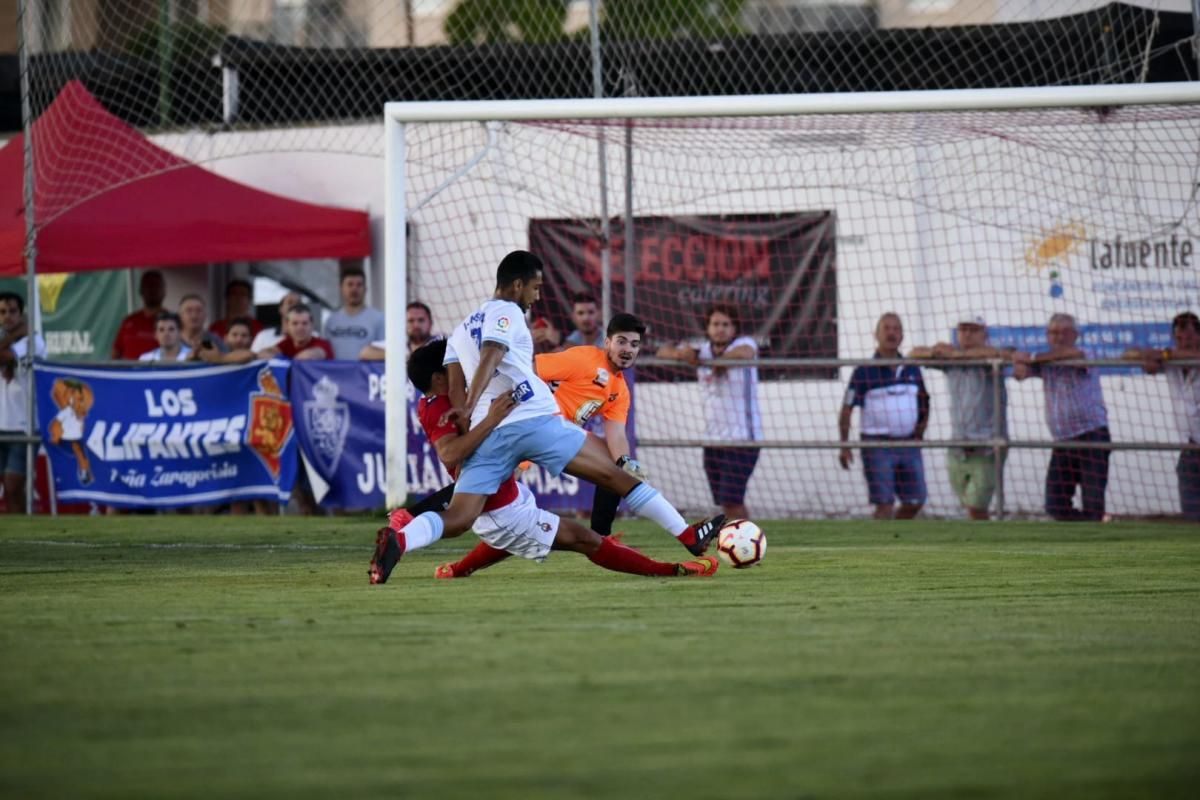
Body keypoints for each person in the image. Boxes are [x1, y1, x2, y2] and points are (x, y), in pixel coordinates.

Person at [369, 250, 724, 584]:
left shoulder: (461, 329)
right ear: (518, 284)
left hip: (492, 433)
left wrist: (468, 415)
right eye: (536, 287)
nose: (536, 297)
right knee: (616, 479)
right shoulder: (505, 312)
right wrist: (471, 405)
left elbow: (455, 379)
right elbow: (494, 350)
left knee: (460, 517)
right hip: (534, 419)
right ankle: (688, 536)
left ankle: (402, 540)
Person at [393, 339, 717, 581]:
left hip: (506, 493)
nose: (462, 370)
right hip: (496, 506)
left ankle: (451, 566)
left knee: (526, 526)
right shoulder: (442, 406)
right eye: (453, 367)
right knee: (583, 539)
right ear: (440, 378)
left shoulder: (455, 399)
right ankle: (672, 570)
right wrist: (494, 417)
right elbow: (451, 453)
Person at [437, 313, 649, 579]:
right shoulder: (583, 358)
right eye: (622, 341)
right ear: (607, 342)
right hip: (527, 426)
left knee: (612, 466)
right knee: (489, 498)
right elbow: (531, 369)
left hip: (551, 437)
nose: (628, 349)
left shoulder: (620, 388)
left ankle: (602, 537)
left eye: (634, 344)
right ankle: (414, 521)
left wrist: (627, 465)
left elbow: (617, 435)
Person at [657, 304, 762, 520]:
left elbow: (745, 353)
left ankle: (749, 543)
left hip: (742, 440)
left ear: (735, 328)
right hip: (713, 439)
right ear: (707, 327)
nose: (720, 329)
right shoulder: (702, 350)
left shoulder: (744, 344)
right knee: (725, 502)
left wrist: (718, 362)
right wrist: (681, 354)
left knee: (732, 501)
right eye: (715, 324)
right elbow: (661, 351)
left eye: (726, 324)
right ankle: (741, 541)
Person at [910, 313, 1013, 520]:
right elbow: (913, 354)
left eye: (972, 330)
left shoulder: (989, 358)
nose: (966, 334)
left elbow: (1004, 355)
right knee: (970, 506)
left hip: (987, 447)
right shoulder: (951, 360)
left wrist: (954, 355)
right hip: (958, 446)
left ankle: (982, 548)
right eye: (962, 329)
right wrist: (935, 351)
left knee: (976, 507)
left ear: (984, 334)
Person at [1013, 313, 1110, 522]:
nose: (1058, 338)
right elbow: (1021, 373)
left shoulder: (1086, 352)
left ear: (1075, 335)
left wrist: (1030, 358)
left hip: (1091, 435)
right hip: (1063, 440)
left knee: (1093, 502)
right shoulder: (1046, 360)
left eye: (1064, 332)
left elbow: (1072, 356)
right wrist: (1021, 365)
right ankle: (1084, 532)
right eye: (1053, 333)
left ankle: (1098, 540)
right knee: (1055, 505)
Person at [838, 312, 929, 520]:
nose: (891, 333)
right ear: (876, 334)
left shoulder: (912, 369)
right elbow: (846, 408)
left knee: (916, 501)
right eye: (886, 328)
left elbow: (925, 401)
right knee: (884, 504)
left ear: (903, 335)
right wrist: (844, 445)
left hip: (909, 444)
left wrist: (919, 432)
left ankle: (896, 538)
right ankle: (880, 548)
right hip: (877, 446)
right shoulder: (863, 371)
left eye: (896, 329)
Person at [1123, 311, 1200, 521]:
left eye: (1190, 336)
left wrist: (1163, 355)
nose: (1184, 341)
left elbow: (1192, 356)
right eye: (1179, 337)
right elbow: (1127, 354)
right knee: (1193, 517)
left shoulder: (1172, 357)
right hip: (1190, 447)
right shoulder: (1171, 362)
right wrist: (1148, 357)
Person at [0, 291, 47, 512]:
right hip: (1, 422)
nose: (7, 317)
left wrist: (18, 334)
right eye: (2, 312)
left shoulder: (33, 341)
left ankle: (22, 527)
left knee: (13, 484)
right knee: (10, 488)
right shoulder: (14, 335)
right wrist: (15, 333)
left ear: (22, 313)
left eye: (12, 311)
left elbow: (6, 356)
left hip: (25, 424)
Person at [324, 267, 386, 360]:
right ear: (341, 288)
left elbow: (384, 351)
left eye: (359, 285)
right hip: (336, 374)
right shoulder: (331, 320)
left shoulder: (379, 318)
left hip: (366, 374)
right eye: (350, 284)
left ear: (365, 288)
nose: (354, 289)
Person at [111, 270, 166, 360]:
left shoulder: (172, 321)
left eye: (156, 286)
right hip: (129, 373)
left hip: (159, 372)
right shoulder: (129, 321)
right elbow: (116, 352)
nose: (152, 290)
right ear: (141, 290)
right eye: (148, 286)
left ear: (164, 290)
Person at [358, 300, 440, 360]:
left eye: (421, 320)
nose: (416, 325)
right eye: (411, 321)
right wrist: (403, 357)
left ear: (431, 323)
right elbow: (365, 353)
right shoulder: (398, 346)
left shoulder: (440, 343)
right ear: (404, 324)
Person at [258, 304, 334, 361]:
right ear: (287, 326)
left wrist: (283, 362)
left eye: (305, 323)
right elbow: (263, 353)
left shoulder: (323, 344)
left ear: (312, 325)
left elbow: (312, 355)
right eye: (295, 323)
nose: (300, 328)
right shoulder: (286, 343)